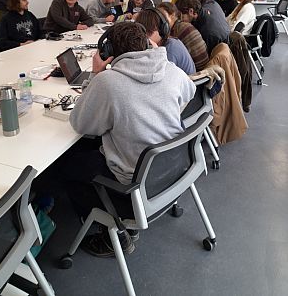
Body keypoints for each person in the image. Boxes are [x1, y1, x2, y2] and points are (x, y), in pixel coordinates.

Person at [54, 21, 195, 257]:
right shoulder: (171, 69)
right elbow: (188, 93)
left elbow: (80, 124)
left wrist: (97, 74)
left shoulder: (107, 82)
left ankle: (112, 233)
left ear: (108, 52)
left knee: (67, 166)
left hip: (131, 190)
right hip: (170, 173)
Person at [135, 8, 196, 74]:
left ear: (163, 30)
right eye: (142, 33)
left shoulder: (170, 48)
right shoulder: (163, 43)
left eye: (149, 32)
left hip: (184, 83)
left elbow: (160, 77)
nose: (146, 37)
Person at [157, 2, 209, 71]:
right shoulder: (184, 26)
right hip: (203, 71)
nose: (160, 20)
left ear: (173, 14)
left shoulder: (178, 31)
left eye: (163, 16)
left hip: (197, 73)